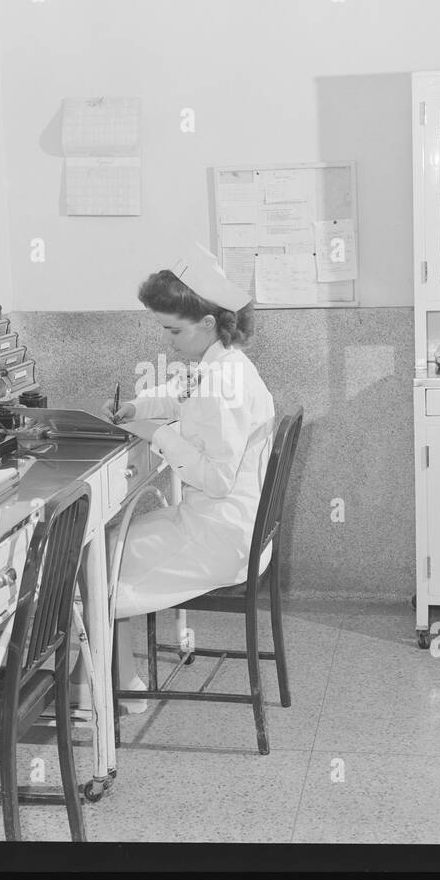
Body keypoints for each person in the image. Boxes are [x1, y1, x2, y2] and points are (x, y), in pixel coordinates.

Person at [101, 243, 276, 712]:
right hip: (221, 523)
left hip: (218, 535)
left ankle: (119, 690)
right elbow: (183, 393)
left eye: (172, 330)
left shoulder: (225, 384)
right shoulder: (224, 365)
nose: (167, 340)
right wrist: (141, 407)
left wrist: (160, 436)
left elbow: (217, 480)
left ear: (207, 323)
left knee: (98, 558)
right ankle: (111, 679)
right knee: (110, 540)